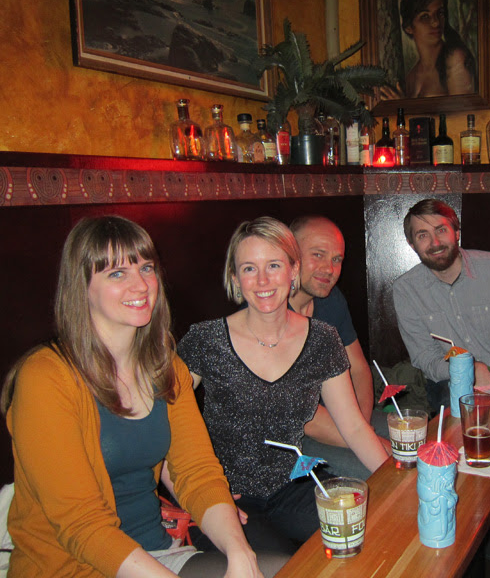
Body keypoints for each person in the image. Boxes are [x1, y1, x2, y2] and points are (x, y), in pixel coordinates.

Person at [1, 216, 289, 578]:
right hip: (71, 567)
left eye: (146, 268)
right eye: (117, 273)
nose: (140, 285)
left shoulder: (166, 368)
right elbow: (81, 526)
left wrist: (239, 553)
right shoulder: (45, 379)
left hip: (155, 554)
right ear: (82, 287)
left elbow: (197, 473)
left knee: (283, 570)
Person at [177, 217, 388, 546]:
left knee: (367, 532)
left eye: (273, 265)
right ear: (235, 278)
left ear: (293, 271)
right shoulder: (206, 340)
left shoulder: (322, 339)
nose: (262, 280)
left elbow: (355, 428)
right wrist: (200, 492)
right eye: (249, 268)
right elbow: (163, 423)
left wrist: (397, 479)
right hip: (228, 497)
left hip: (294, 486)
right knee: (280, 564)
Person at [391, 198, 490, 559]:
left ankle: (482, 550)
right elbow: (424, 358)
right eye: (422, 235)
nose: (434, 241)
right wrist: (468, 367)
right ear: (412, 244)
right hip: (451, 386)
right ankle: (456, 533)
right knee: (457, 457)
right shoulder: (406, 289)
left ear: (456, 231)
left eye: (441, 230)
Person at [288, 216, 383, 481]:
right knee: (380, 472)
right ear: (289, 254)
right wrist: (366, 438)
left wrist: (361, 425)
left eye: (336, 259)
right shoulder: (268, 315)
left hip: (344, 418)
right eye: (318, 254)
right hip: (291, 438)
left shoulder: (331, 300)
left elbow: (358, 369)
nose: (329, 269)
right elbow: (305, 419)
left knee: (413, 437)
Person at [379, 0, 476, 100]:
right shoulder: (410, 77)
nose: (436, 22)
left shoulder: (455, 59)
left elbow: (466, 110)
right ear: (409, 27)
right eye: (425, 16)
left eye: (440, 13)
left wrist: (404, 108)